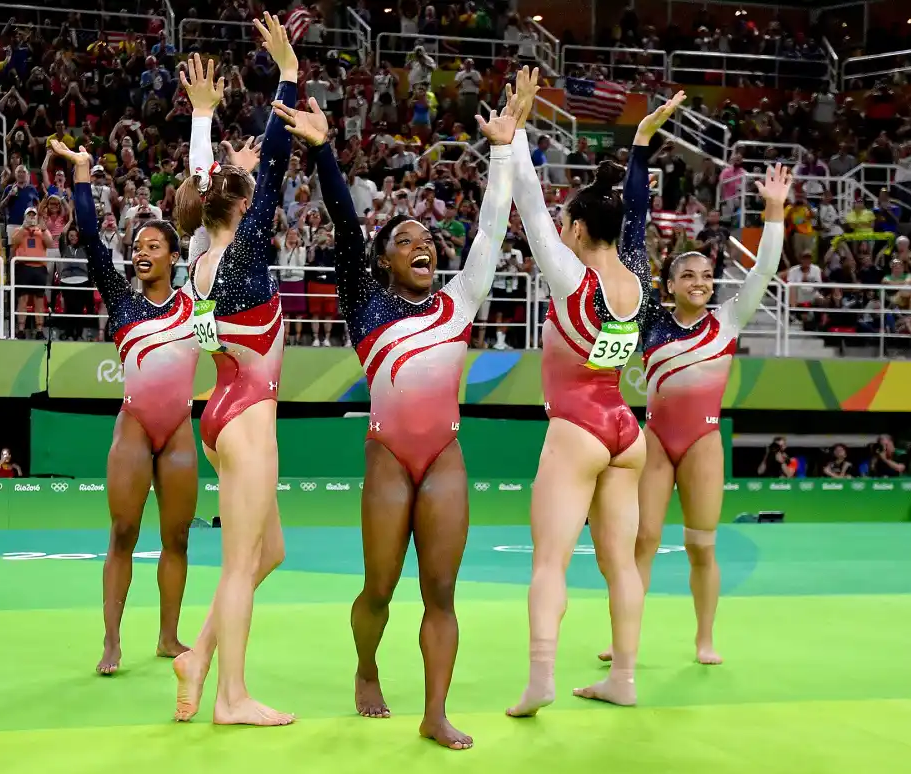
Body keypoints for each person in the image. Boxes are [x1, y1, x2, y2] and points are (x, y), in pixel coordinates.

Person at [270, 92, 519, 748]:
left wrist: (502, 151)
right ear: (385, 262)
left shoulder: (460, 302)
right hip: (386, 455)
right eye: (405, 240)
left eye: (428, 239)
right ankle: (367, 665)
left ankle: (436, 712)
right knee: (378, 588)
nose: (422, 245)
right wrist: (324, 151)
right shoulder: (367, 305)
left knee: (441, 591)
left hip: (444, 454)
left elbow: (491, 231)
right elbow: (347, 233)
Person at [503, 67, 685, 714]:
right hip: (625, 430)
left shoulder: (570, 276)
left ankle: (541, 679)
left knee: (549, 561)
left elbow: (526, 200)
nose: (560, 228)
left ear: (578, 230)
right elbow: (634, 212)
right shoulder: (637, 277)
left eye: (566, 223)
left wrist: (516, 130)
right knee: (622, 565)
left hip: (577, 426)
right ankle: (624, 679)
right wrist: (638, 146)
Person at [599, 164, 788, 668]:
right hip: (656, 440)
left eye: (707, 275)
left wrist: (773, 211)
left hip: (703, 443)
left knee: (701, 547)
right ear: (670, 283)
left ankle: (704, 640)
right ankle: (623, 638)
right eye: (688, 275)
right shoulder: (651, 321)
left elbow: (765, 270)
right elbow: (627, 257)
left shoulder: (727, 321)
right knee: (641, 540)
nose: (700, 282)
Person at [169, 20, 297, 727]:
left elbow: (200, 187)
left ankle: (200, 654)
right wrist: (287, 76)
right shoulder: (245, 255)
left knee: (266, 551)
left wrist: (203, 118)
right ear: (243, 207)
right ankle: (231, 696)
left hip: (220, 408)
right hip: (249, 416)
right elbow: (273, 164)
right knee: (240, 561)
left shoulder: (198, 253)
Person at [50, 139, 200, 677]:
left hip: (180, 428)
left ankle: (167, 636)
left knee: (177, 536)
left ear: (174, 257)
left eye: (155, 245)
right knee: (122, 533)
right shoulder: (122, 298)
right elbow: (90, 237)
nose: (142, 250)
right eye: (138, 244)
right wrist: (84, 176)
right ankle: (112, 641)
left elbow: (213, 243)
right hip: (135, 425)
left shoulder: (195, 303)